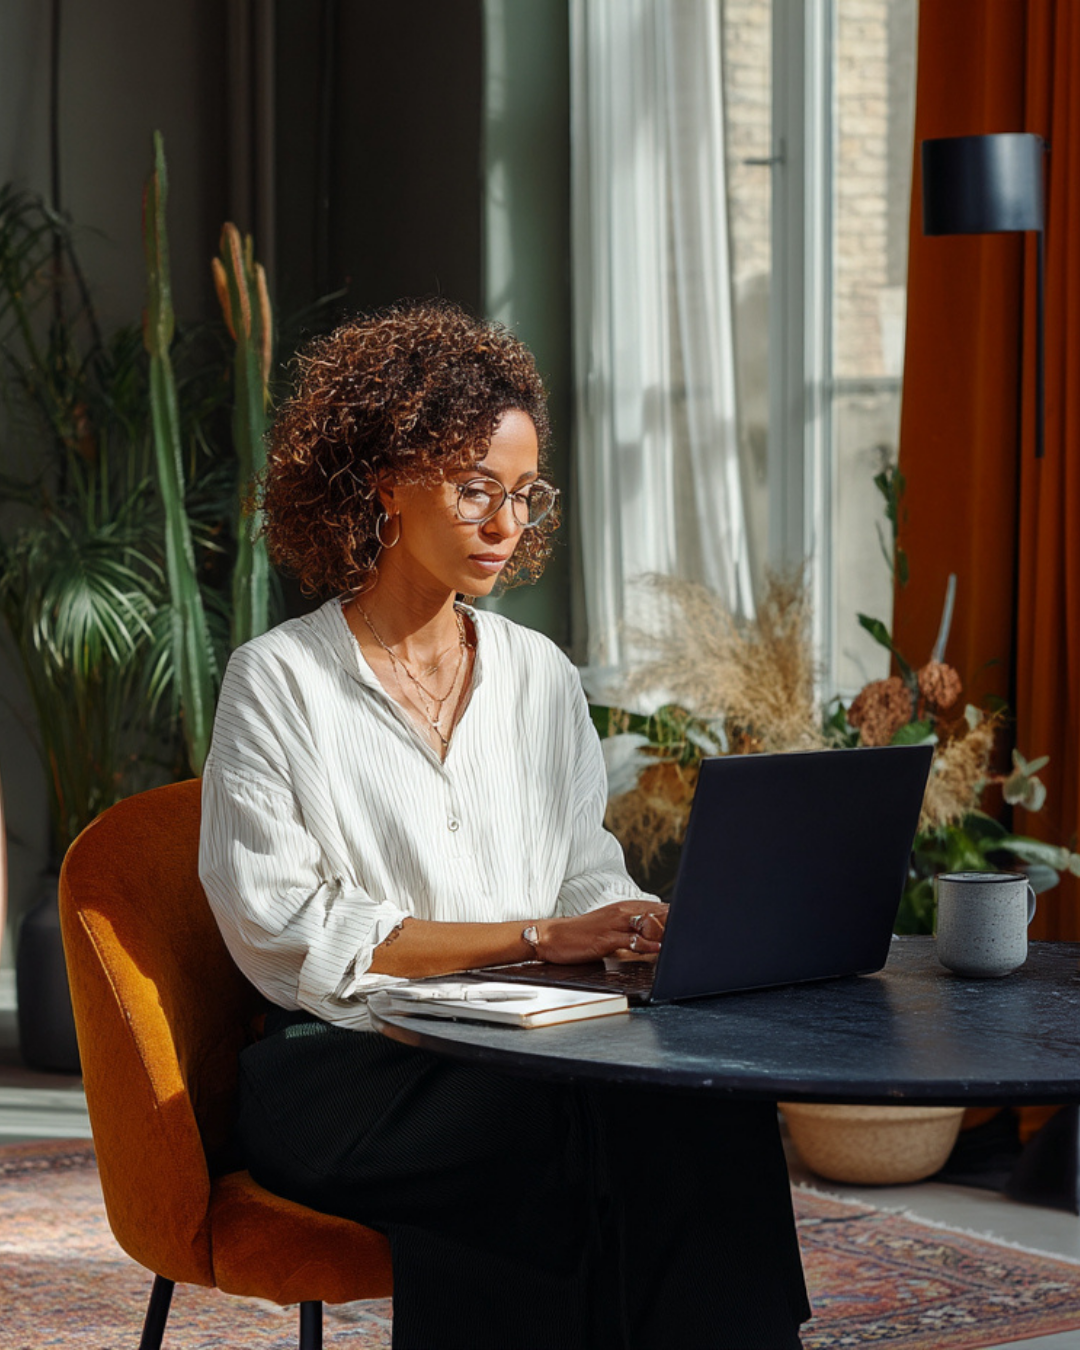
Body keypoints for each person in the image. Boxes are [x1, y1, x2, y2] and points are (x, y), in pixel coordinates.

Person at [199, 298, 810, 1350]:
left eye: (524, 496)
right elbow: (290, 933)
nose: (506, 525)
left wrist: (633, 923)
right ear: (386, 482)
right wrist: (534, 941)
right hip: (348, 1066)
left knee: (704, 1107)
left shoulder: (538, 675)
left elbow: (581, 873)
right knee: (557, 1134)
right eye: (474, 489)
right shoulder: (280, 681)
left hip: (526, 1046)